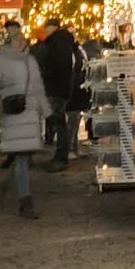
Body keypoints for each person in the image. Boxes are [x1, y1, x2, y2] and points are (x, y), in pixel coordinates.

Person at [0, 20, 49, 218]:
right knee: (21, 157)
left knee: (22, 155)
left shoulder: (29, 61)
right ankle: (25, 201)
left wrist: (46, 112)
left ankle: (5, 186)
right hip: (13, 112)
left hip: (29, 113)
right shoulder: (4, 61)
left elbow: (38, 88)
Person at [32, 16, 87, 170]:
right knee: (60, 121)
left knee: (60, 122)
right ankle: (63, 153)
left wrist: (49, 76)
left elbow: (61, 66)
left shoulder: (58, 43)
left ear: (53, 27)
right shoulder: (61, 42)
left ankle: (62, 155)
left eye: (47, 27)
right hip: (60, 88)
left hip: (57, 88)